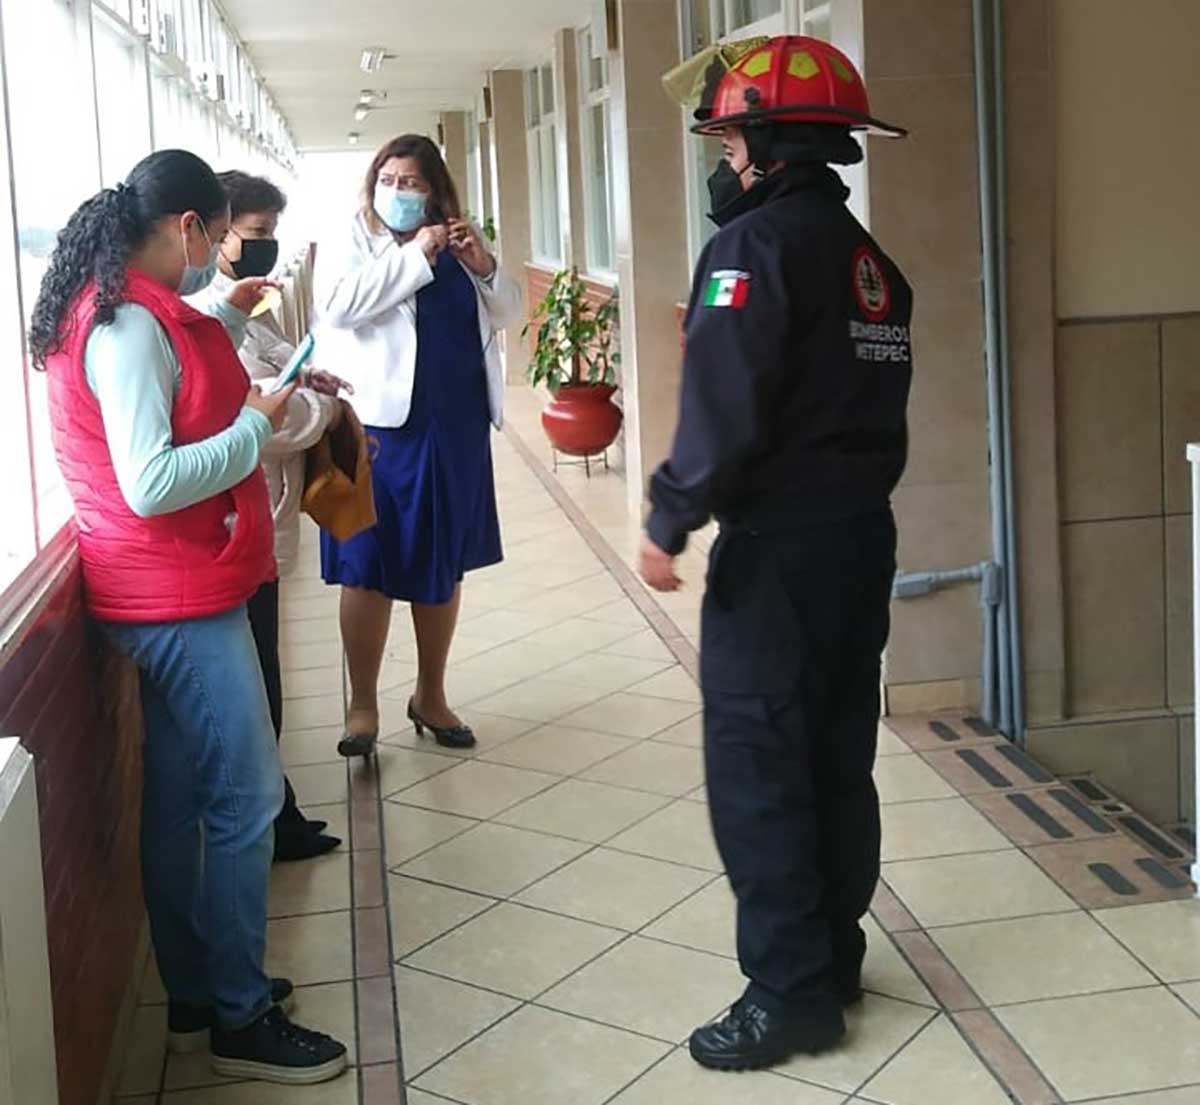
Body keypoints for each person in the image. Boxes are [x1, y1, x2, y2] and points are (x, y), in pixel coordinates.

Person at [31, 149, 347, 1085]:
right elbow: (151, 477)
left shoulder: (132, 308)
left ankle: (199, 997)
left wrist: (223, 326)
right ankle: (243, 1018)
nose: (218, 253)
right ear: (188, 228)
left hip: (160, 588)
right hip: (177, 596)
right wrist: (253, 425)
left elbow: (163, 381)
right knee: (247, 800)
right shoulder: (125, 326)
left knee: (179, 805)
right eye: (214, 236)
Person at [641, 37, 912, 1071]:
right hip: (857, 539)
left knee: (760, 762)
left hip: (782, 552)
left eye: (728, 138)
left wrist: (669, 516)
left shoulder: (752, 253)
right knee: (836, 752)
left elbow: (725, 404)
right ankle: (830, 955)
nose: (724, 160)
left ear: (763, 140)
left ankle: (789, 991)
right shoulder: (865, 260)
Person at [316, 134, 522, 756]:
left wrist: (483, 265)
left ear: (435, 189)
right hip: (377, 429)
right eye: (389, 179)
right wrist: (416, 256)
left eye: (412, 182)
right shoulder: (355, 237)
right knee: (367, 565)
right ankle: (362, 706)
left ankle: (430, 695)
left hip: (452, 427)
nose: (399, 192)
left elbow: (507, 309)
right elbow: (340, 306)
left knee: (441, 564)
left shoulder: (461, 241)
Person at [201, 169, 345, 862]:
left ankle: (279, 809)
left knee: (267, 672)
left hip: (263, 523)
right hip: (238, 526)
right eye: (255, 234)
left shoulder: (240, 311)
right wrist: (322, 408)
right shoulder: (204, 317)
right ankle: (270, 818)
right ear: (213, 233)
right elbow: (268, 418)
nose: (265, 247)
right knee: (257, 680)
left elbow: (282, 373)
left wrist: (308, 383)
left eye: (270, 234)